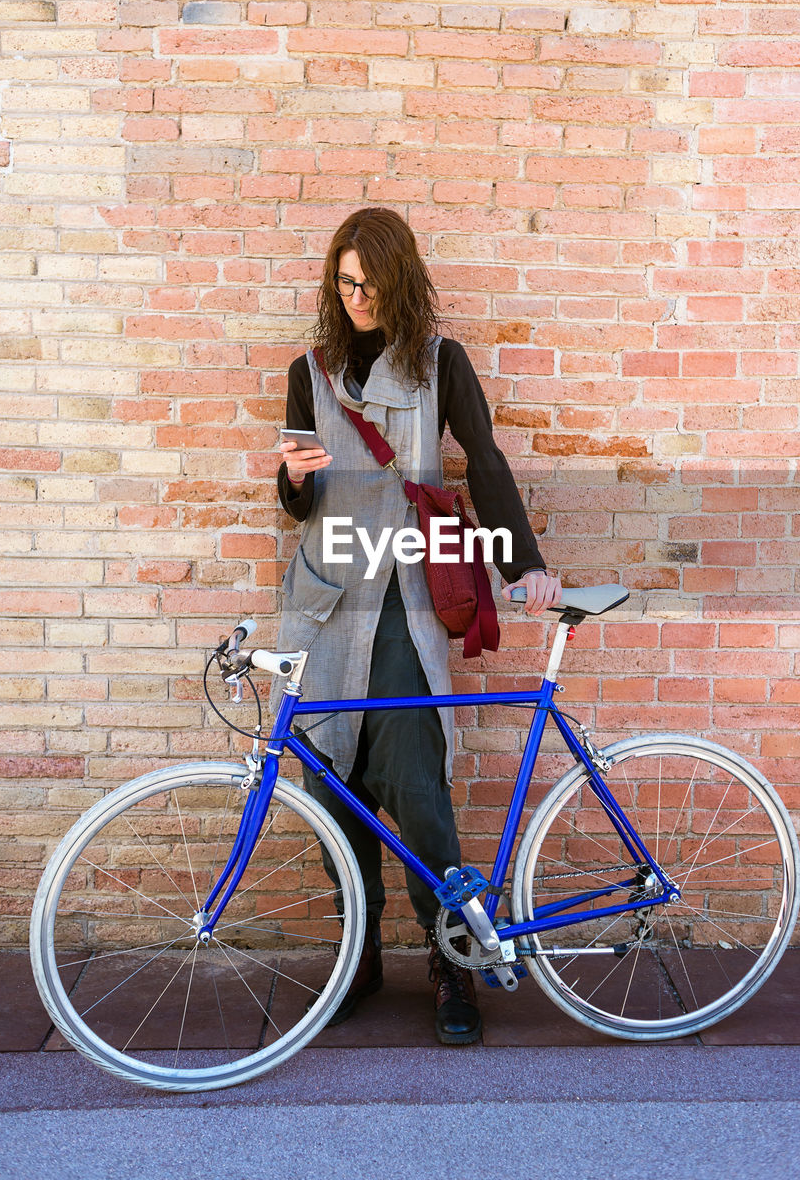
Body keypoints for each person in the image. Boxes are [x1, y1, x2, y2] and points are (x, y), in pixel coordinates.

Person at [274, 207, 562, 1045]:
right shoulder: (312, 371)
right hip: (325, 606)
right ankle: (356, 957)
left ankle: (453, 957)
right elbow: (300, 502)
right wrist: (290, 479)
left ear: (397, 278)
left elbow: (485, 458)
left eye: (367, 281)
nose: (354, 296)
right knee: (331, 782)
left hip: (402, 602)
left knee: (414, 785)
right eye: (342, 282)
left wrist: (523, 566)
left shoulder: (442, 362)